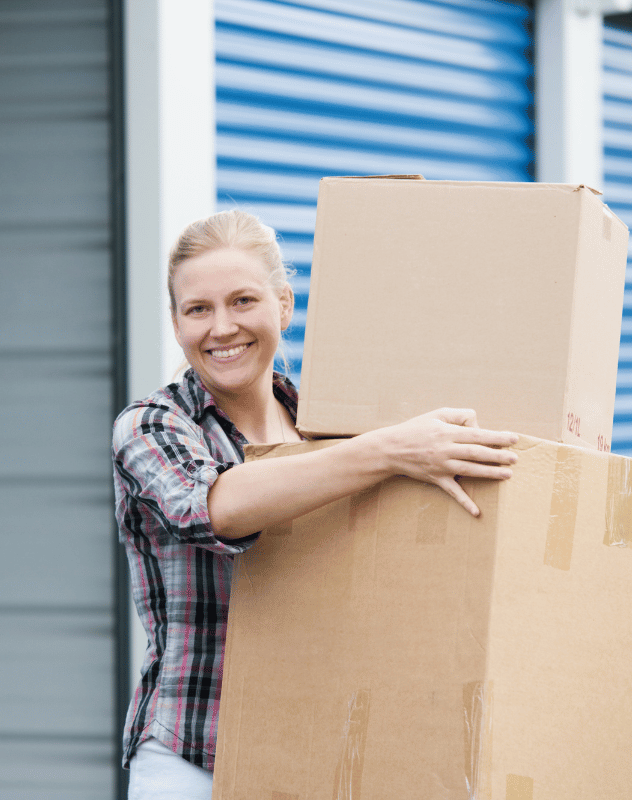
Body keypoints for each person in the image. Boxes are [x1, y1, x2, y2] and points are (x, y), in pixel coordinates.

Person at [112, 209, 519, 799]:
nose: (222, 327)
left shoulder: (329, 430)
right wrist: (390, 450)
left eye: (243, 301)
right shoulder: (151, 427)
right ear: (177, 324)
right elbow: (214, 506)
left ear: (284, 305)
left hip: (315, 756)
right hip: (195, 760)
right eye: (198, 309)